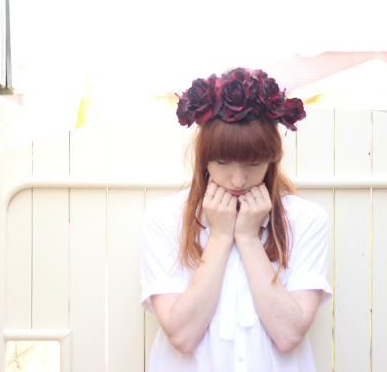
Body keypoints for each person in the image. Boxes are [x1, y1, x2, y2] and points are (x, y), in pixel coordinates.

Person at [140, 67, 332, 371]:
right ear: (204, 158)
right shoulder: (164, 218)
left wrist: (247, 237)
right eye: (223, 161)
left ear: (271, 159)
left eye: (253, 163)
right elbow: (182, 336)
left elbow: (288, 334)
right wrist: (219, 237)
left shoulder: (305, 220)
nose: (238, 179)